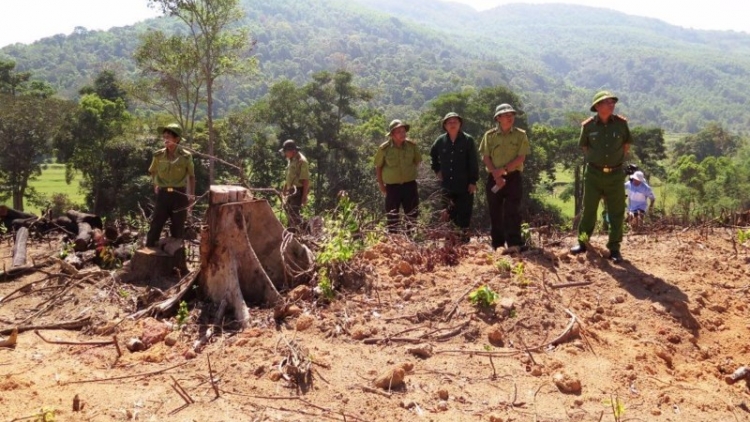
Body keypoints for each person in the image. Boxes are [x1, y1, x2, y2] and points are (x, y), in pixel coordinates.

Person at [571, 91, 633, 263]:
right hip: (593, 173)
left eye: (612, 102)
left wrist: (613, 161)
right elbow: (585, 147)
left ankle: (614, 248)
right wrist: (598, 161)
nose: (611, 104)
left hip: (615, 174)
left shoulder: (621, 124)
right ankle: (582, 243)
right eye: (606, 102)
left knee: (616, 212)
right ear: (597, 106)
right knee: (589, 209)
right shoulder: (588, 126)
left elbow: (626, 145)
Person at [479, 104, 530, 253]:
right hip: (493, 178)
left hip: (513, 178)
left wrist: (504, 170)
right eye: (505, 115)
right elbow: (485, 156)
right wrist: (495, 173)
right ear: (498, 118)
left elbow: (521, 157)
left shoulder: (520, 135)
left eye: (511, 114)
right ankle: (497, 244)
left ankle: (515, 243)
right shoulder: (489, 135)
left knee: (512, 210)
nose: (510, 117)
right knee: (495, 210)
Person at [430, 112, 479, 243]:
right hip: (447, 185)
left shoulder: (468, 140)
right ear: (445, 125)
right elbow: (433, 155)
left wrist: (473, 181)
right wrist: (437, 169)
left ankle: (463, 241)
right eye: (449, 122)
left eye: (455, 122)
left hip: (464, 185)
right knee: (448, 213)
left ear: (460, 124)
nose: (452, 124)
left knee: (464, 213)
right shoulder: (440, 141)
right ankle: (450, 241)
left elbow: (473, 162)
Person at [146, 123, 196, 247]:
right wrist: (155, 184)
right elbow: (152, 171)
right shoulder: (158, 155)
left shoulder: (185, 156)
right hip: (163, 194)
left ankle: (176, 257)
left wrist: (191, 195)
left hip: (179, 194)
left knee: (178, 226)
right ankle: (150, 250)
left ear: (177, 139)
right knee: (156, 223)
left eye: (168, 137)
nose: (165, 140)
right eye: (164, 137)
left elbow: (191, 176)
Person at [374, 119, 422, 234]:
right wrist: (381, 185)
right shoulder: (384, 149)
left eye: (403, 130)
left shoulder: (412, 146)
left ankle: (410, 239)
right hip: (392, 187)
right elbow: (378, 166)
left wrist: (407, 172)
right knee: (392, 215)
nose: (402, 133)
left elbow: (417, 161)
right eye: (399, 131)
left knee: (412, 214)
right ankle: (394, 242)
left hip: (409, 186)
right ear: (392, 134)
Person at [279, 139, 310, 228]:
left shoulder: (302, 161)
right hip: (291, 189)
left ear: (292, 151)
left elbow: (305, 180)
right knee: (289, 212)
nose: (285, 154)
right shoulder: (291, 159)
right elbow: (289, 176)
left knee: (293, 214)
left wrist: (304, 197)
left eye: (286, 152)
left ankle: (294, 233)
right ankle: (296, 229)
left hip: (298, 191)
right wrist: (284, 190)